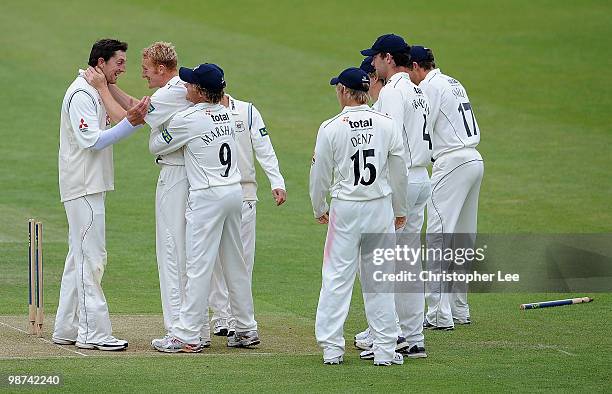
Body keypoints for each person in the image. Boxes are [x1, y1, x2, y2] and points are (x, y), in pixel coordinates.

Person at [84, 42, 196, 346]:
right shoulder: (174, 89)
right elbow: (139, 107)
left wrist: (103, 89)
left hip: (177, 175)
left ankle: (180, 333)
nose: (142, 74)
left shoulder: (172, 91)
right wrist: (109, 85)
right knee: (181, 253)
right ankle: (192, 329)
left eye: (145, 69)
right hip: (183, 174)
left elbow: (131, 119)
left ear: (160, 68)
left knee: (172, 253)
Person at [150, 63, 259, 353]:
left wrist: (163, 127)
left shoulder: (188, 118)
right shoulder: (228, 113)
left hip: (207, 197)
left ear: (199, 90)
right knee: (235, 263)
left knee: (198, 266)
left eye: (189, 84)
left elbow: (157, 146)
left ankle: (187, 334)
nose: (185, 87)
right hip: (234, 193)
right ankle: (246, 328)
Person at [53, 38, 150, 351]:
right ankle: (93, 332)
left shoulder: (95, 89)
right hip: (83, 186)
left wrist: (130, 119)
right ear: (101, 62)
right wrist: (131, 123)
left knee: (78, 257)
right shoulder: (82, 93)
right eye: (119, 62)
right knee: (91, 259)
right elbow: (92, 141)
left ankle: (66, 327)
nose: (123, 68)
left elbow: (126, 118)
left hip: (90, 184)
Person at [310, 67, 408, 366]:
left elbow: (319, 174)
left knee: (337, 278)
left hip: (346, 208)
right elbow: (399, 171)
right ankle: (385, 351)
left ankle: (332, 349)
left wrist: (319, 207)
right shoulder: (386, 124)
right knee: (379, 279)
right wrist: (400, 209)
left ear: (343, 91)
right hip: (379, 206)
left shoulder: (331, 127)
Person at [355, 33, 431, 358]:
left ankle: (388, 334)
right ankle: (413, 337)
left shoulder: (392, 94)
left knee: (381, 261)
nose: (372, 63)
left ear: (387, 58)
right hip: (421, 179)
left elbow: (391, 145)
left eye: (375, 57)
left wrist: (389, 194)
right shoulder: (418, 91)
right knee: (409, 260)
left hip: (400, 180)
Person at [406, 46, 484, 329]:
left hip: (451, 162)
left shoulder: (429, 86)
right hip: (474, 160)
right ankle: (460, 309)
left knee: (439, 237)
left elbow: (421, 127)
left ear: (416, 67)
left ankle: (439, 313)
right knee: (463, 238)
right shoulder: (452, 81)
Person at [208, 90, 287, 338]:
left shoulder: (247, 111)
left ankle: (235, 317)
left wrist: (277, 181)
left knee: (241, 258)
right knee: (214, 259)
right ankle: (221, 314)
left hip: (244, 194)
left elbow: (264, 147)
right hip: (211, 195)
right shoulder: (200, 113)